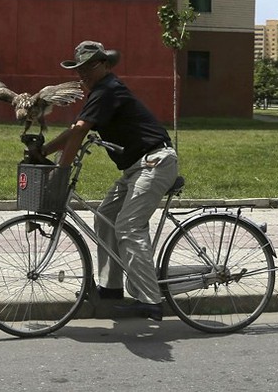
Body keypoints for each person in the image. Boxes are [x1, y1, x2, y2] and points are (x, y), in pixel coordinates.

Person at [41, 40, 178, 320]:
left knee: (128, 225)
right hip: (136, 168)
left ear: (104, 64)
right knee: (105, 216)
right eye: (79, 68)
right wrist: (43, 151)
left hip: (155, 162)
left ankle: (151, 299)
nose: (83, 72)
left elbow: (79, 131)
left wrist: (60, 171)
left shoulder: (108, 89)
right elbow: (74, 130)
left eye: (89, 66)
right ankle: (111, 287)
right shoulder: (98, 93)